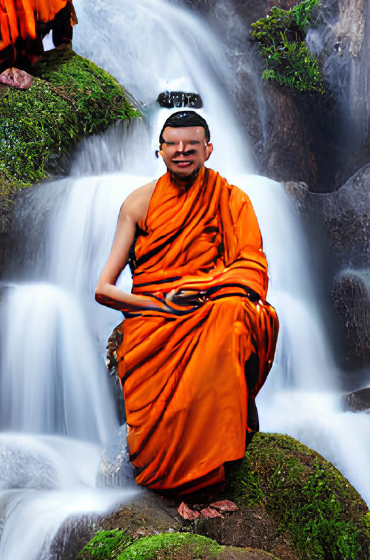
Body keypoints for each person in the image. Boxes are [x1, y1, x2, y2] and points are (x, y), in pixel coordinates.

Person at [92, 111, 280, 519]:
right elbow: (103, 288)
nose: (181, 153)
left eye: (191, 146)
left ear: (207, 150)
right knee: (217, 321)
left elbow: (252, 269)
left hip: (209, 307)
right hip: (154, 319)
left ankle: (208, 480)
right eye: (172, 145)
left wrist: (200, 290)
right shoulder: (138, 204)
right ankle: (174, 483)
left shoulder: (232, 200)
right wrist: (163, 306)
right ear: (159, 150)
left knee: (237, 315)